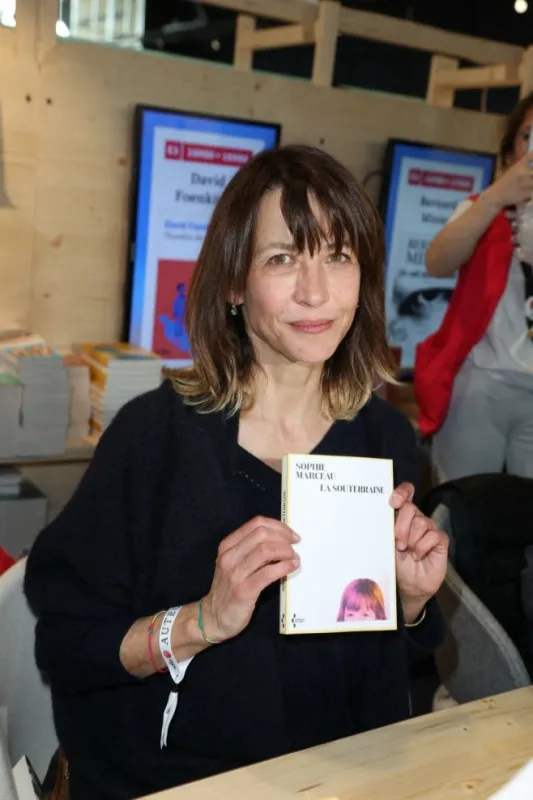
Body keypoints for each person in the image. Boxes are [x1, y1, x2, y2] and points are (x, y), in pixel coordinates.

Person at [24, 145, 448, 800]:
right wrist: (203, 620)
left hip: (343, 775)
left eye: (338, 256)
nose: (315, 292)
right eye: (282, 259)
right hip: (178, 780)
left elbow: (383, 672)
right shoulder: (154, 438)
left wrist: (409, 602)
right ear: (232, 283)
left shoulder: (383, 438)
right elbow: (68, 647)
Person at [415, 93, 533, 481]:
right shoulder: (482, 208)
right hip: (480, 380)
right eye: (528, 136)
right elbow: (437, 262)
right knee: (461, 500)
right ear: (511, 150)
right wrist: (496, 197)